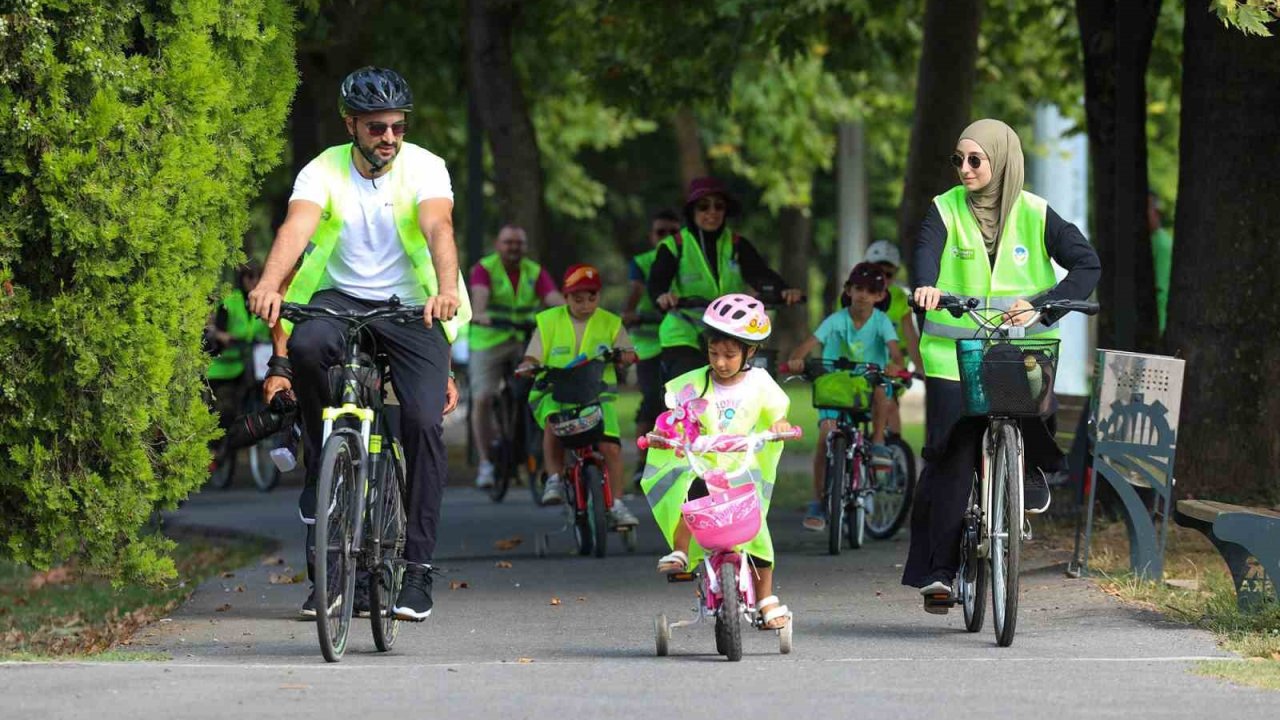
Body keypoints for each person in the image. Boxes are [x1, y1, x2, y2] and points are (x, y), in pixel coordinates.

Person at [247, 66, 471, 622]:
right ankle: (326, 451)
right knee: (305, 348)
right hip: (339, 299)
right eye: (376, 128)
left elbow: (439, 226)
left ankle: (416, 571)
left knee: (420, 422)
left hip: (411, 305)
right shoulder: (322, 170)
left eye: (397, 126)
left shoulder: (426, 167)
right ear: (351, 125)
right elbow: (296, 228)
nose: (389, 137)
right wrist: (271, 284)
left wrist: (445, 290)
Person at [905, 118, 1100, 610]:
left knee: (1035, 413)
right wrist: (927, 286)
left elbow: (1087, 264)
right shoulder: (944, 209)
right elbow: (926, 252)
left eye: (976, 160)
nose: (965, 169)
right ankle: (940, 573)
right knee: (952, 456)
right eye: (959, 160)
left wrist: (1046, 303)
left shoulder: (1036, 212)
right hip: (954, 357)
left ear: (1003, 161)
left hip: (1021, 350)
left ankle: (1027, 469)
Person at [642, 293, 795, 631]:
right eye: (714, 353)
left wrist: (780, 427)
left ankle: (766, 597)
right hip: (704, 463)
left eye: (729, 355)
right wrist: (660, 431)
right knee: (690, 495)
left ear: (750, 352)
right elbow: (671, 416)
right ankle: (681, 551)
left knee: (757, 531)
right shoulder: (695, 382)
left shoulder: (759, 384)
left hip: (742, 466)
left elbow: (776, 416)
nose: (721, 362)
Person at [647, 177, 804, 382]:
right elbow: (657, 284)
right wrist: (662, 297)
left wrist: (783, 291)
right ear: (692, 211)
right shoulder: (674, 245)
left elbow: (760, 274)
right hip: (684, 332)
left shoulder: (737, 243)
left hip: (728, 332)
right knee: (688, 389)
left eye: (718, 206)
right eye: (704, 207)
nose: (711, 212)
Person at [786, 263, 904, 532]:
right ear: (848, 290)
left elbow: (895, 352)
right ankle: (817, 501)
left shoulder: (882, 322)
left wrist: (895, 365)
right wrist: (796, 360)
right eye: (858, 288)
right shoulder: (836, 320)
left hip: (868, 384)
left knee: (881, 393)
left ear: (879, 296)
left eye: (871, 291)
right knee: (825, 435)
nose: (863, 295)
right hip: (837, 389)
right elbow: (807, 345)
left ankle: (877, 443)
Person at [521, 264, 639, 527]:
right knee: (553, 424)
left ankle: (617, 503)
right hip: (557, 392)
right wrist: (528, 365)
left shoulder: (610, 322)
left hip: (597, 396)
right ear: (565, 297)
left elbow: (628, 351)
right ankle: (553, 478)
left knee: (611, 448)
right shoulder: (548, 321)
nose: (586, 304)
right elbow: (533, 354)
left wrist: (625, 355)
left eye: (592, 298)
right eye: (578, 298)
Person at [468, 224, 564, 489]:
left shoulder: (534, 271)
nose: (513, 248)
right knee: (483, 398)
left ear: (525, 246)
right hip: (489, 339)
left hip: (523, 340)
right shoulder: (485, 269)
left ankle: (535, 454)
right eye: (508, 242)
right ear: (498, 245)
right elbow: (480, 296)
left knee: (540, 392)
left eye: (518, 243)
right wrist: (480, 313)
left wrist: (567, 311)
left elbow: (552, 296)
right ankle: (486, 463)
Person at [622, 209, 683, 486]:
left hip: (682, 338)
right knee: (651, 399)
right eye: (661, 232)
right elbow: (635, 290)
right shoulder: (642, 262)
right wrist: (630, 312)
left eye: (673, 232)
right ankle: (641, 463)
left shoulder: (687, 258)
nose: (666, 238)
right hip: (649, 341)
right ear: (651, 236)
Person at [1148, 191, 1173, 336]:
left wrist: (1161, 324)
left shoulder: (1162, 243)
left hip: (1160, 323)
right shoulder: (1157, 241)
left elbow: (1161, 289)